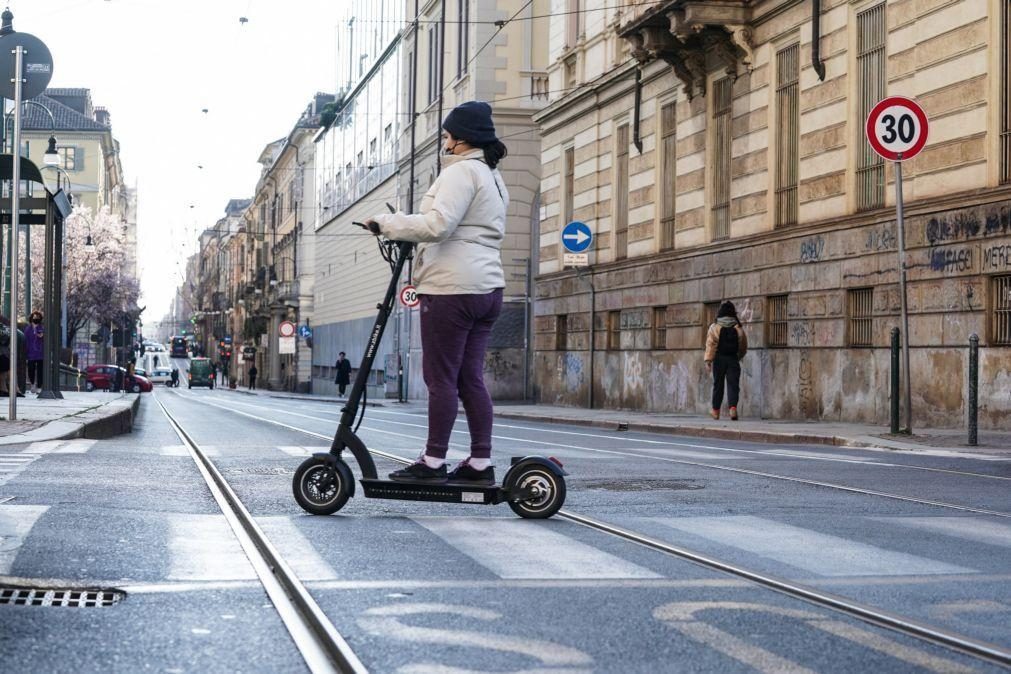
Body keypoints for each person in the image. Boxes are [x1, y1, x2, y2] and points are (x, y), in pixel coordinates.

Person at [366, 100, 508, 485]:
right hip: (487, 287)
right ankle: (480, 463)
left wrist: (387, 223)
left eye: (447, 135)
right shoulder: (494, 177)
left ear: (461, 139)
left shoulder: (462, 173)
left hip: (452, 288)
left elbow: (438, 224)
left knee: (440, 378)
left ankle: (432, 462)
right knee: (470, 379)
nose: (444, 141)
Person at [704, 300, 748, 420]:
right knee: (733, 385)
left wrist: (708, 361)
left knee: (718, 385)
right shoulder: (738, 327)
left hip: (719, 359)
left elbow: (710, 344)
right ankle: (733, 408)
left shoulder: (715, 327)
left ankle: (715, 411)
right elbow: (743, 345)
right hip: (732, 358)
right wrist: (738, 357)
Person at [24, 310, 43, 394]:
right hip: (31, 353)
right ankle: (32, 384)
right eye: (35, 317)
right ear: (31, 319)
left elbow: (44, 338)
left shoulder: (42, 328)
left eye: (38, 318)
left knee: (40, 370)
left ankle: (39, 386)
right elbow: (25, 340)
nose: (36, 319)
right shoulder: (28, 329)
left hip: (40, 353)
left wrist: (41, 335)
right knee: (31, 369)